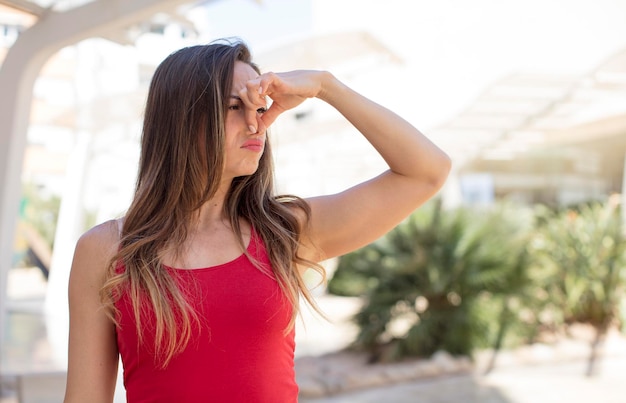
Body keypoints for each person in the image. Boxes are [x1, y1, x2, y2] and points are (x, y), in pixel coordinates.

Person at [63, 37, 451, 403]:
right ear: (181, 118)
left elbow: (426, 171)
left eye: (260, 108)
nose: (256, 125)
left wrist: (326, 86)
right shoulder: (107, 250)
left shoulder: (285, 231)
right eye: (235, 107)